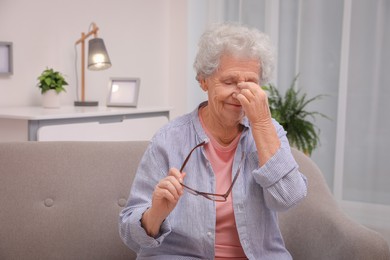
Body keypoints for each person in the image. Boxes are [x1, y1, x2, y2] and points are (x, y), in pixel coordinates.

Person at [119, 23, 307, 260]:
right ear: (203, 81)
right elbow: (130, 234)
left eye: (250, 83)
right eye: (229, 82)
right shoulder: (168, 140)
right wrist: (156, 213)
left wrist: (260, 124)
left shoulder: (270, 131)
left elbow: (288, 199)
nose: (239, 94)